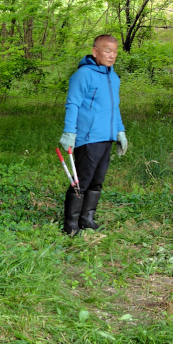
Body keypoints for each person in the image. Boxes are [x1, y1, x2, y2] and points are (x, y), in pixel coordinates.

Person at [60, 34, 129, 235]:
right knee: (81, 181)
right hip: (88, 138)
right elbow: (73, 103)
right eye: (107, 51)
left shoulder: (113, 77)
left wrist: (120, 131)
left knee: (97, 181)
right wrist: (69, 132)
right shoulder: (83, 75)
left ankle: (87, 219)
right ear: (95, 51)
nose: (112, 55)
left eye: (115, 51)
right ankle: (71, 224)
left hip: (107, 137)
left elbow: (114, 107)